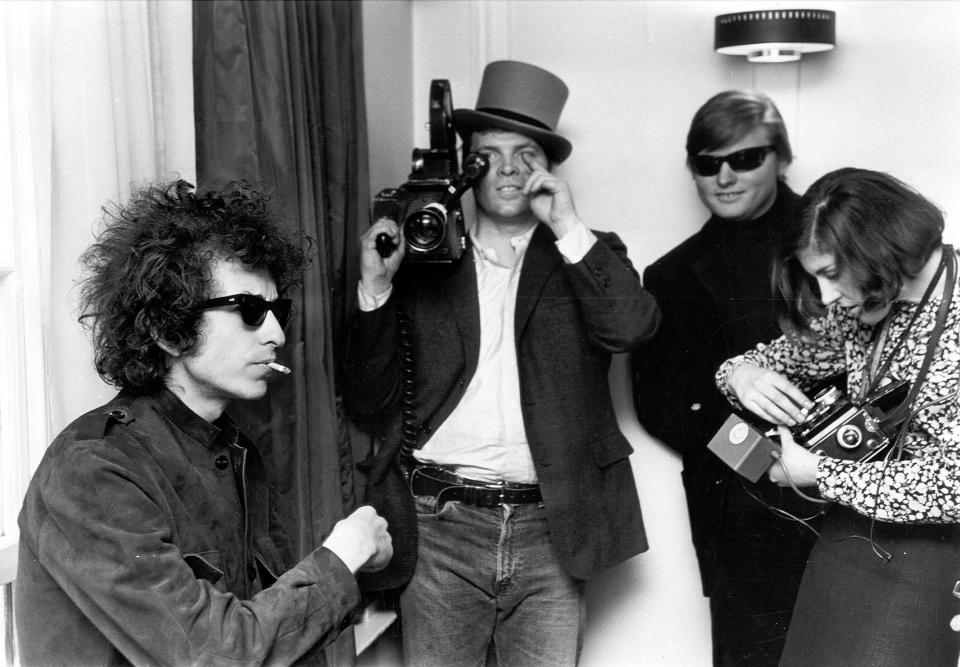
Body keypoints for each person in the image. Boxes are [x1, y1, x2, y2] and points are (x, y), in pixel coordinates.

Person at [344, 60, 660, 666]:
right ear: (466, 167)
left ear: (548, 169)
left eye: (527, 155)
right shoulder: (426, 255)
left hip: (553, 526)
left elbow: (632, 327)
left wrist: (565, 223)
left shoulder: (589, 251)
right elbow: (368, 394)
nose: (510, 169)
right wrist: (376, 290)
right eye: (490, 154)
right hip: (440, 526)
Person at [15, 180, 393, 665]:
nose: (276, 333)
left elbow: (258, 633)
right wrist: (341, 558)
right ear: (167, 329)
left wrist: (350, 567)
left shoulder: (233, 448)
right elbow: (215, 654)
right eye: (250, 311)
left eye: (279, 310)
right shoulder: (92, 471)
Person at [716, 167, 960, 666]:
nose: (826, 298)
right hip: (850, 538)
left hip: (936, 552)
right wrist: (742, 376)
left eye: (829, 274)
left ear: (879, 248)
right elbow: (754, 363)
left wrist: (821, 473)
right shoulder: (863, 306)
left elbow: (954, 485)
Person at [632, 90, 819, 666]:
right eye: (707, 163)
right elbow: (663, 407)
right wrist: (765, 464)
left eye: (745, 159)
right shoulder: (669, 274)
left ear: (782, 158)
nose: (725, 177)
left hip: (860, 501)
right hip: (740, 517)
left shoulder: (837, 241)